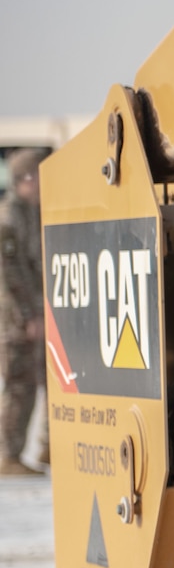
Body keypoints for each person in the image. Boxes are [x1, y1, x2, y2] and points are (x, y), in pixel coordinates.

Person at [0, 148, 49, 475]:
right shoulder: (9, 216)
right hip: (16, 319)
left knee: (48, 379)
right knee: (20, 384)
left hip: (35, 313)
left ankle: (47, 448)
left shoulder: (33, 211)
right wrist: (29, 315)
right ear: (25, 179)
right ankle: (9, 455)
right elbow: (9, 272)